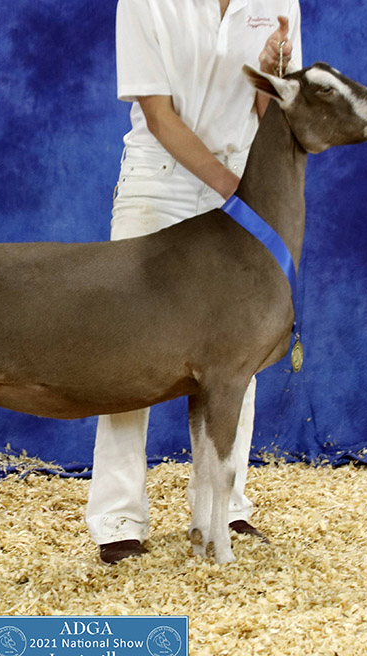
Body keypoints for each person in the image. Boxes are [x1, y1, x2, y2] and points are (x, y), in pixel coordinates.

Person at [86, 0, 302, 563]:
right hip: (161, 184)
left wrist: (272, 75)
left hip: (240, 180)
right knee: (124, 352)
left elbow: (272, 113)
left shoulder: (278, 2)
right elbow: (158, 115)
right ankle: (118, 519)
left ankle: (223, 509)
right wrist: (235, 191)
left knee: (238, 352)